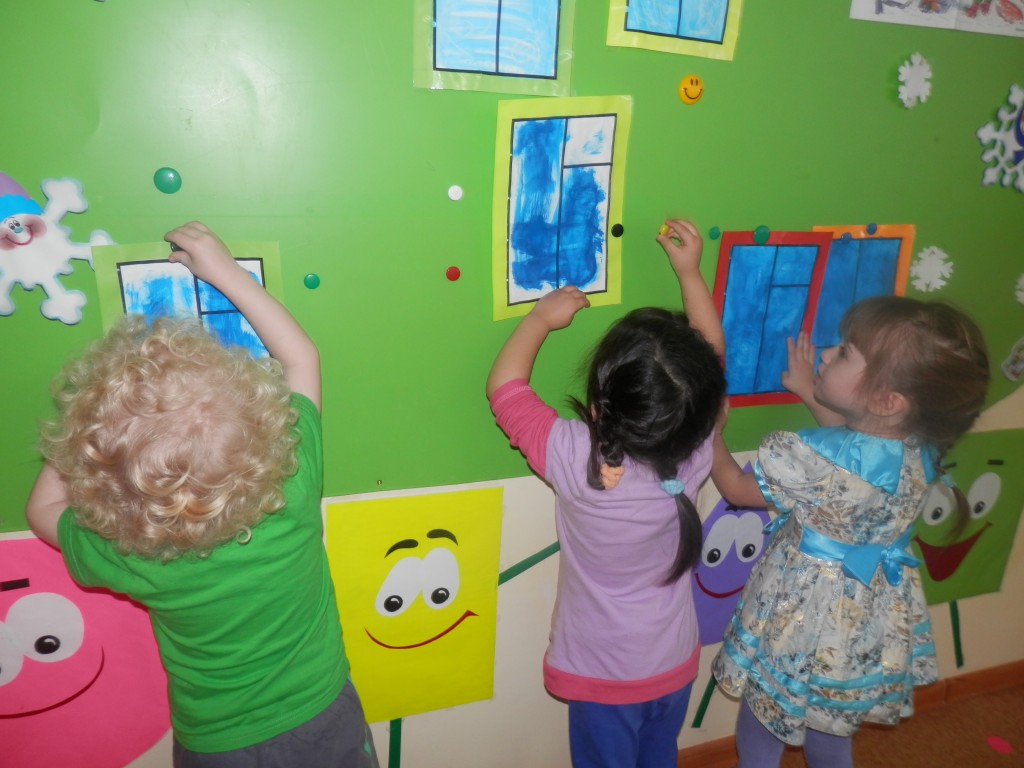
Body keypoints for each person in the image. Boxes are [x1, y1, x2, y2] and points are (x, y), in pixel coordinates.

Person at [26, 221, 378, 768]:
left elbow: (41, 511)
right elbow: (301, 358)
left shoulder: (129, 551)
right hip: (323, 716)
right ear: (261, 424)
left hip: (217, 746)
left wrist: (84, 430)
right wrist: (225, 272)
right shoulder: (293, 482)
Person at [710, 296, 990, 768]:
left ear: (886, 401)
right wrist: (809, 390)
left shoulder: (809, 457)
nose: (825, 354)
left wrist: (711, 432)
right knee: (831, 730)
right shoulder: (918, 450)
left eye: (843, 353)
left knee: (761, 724)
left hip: (802, 618)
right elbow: (859, 451)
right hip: (862, 623)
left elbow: (737, 488)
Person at [486, 219, 727, 768]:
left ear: (597, 406)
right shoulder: (697, 451)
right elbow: (711, 362)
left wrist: (540, 319)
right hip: (672, 664)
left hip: (603, 676)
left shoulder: (576, 456)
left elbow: (504, 389)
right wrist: (690, 274)